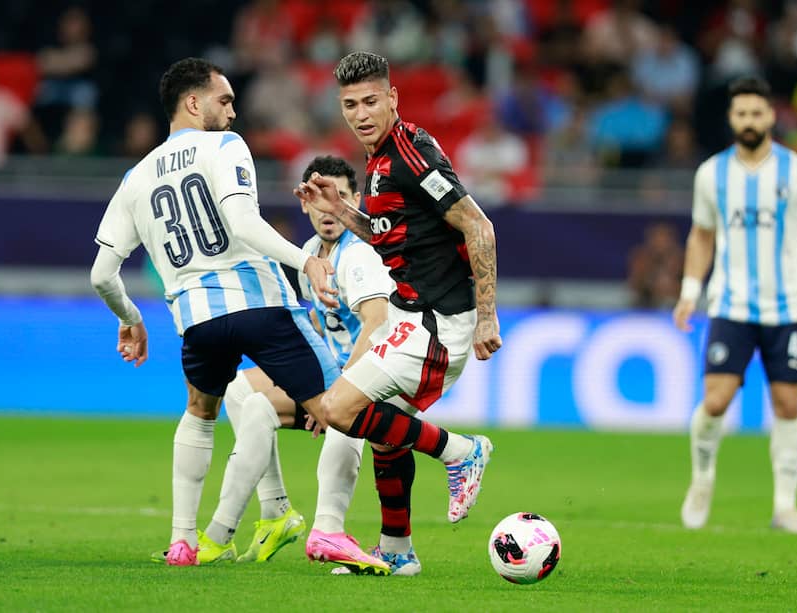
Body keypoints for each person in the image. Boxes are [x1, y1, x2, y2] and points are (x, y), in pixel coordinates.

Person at [90, 57, 340, 566]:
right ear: (193, 102)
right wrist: (306, 260)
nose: (232, 111)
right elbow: (244, 222)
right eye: (224, 100)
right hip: (260, 304)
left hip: (197, 321)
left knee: (201, 414)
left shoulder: (135, 176)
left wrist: (130, 317)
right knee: (342, 409)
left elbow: (100, 275)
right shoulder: (225, 145)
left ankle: (185, 540)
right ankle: (426, 473)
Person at [294, 51, 501, 543]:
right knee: (387, 432)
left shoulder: (410, 153)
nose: (360, 114)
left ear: (392, 98)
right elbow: (394, 236)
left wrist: (487, 317)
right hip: (411, 316)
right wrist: (343, 212)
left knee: (339, 410)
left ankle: (460, 452)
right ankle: (397, 550)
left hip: (438, 325)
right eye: (350, 104)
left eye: (370, 101)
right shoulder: (380, 159)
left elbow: (478, 225)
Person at [672, 76, 797, 536]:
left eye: (757, 113)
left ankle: (785, 506)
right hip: (731, 305)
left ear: (771, 116)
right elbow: (702, 235)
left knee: (788, 404)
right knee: (716, 399)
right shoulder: (712, 174)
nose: (749, 121)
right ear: (732, 119)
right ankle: (703, 478)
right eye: (741, 114)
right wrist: (690, 292)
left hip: (786, 307)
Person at [221, 154, 398, 575]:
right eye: (318, 199)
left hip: (380, 374)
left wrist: (334, 390)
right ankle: (277, 511)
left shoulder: (359, 255)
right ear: (305, 204)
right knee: (243, 393)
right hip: (335, 374)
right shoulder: (307, 255)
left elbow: (378, 321)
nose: (327, 209)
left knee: (344, 414)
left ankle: (328, 529)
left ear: (355, 202)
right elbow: (318, 322)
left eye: (338, 198)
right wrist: (310, 386)